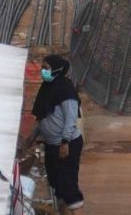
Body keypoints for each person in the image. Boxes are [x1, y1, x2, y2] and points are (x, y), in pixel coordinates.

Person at [31, 55, 85, 213]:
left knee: (68, 185)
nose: (43, 71)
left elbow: (70, 118)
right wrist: (34, 136)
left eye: (46, 68)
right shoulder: (48, 88)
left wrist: (65, 142)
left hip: (67, 144)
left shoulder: (65, 90)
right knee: (57, 184)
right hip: (51, 144)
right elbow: (44, 116)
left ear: (57, 69)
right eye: (42, 68)